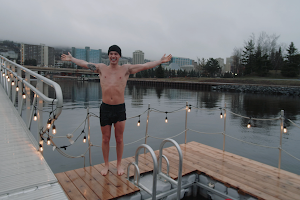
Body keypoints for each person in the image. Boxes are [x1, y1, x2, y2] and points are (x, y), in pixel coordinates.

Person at [61, 45, 172, 176]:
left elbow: (145, 65)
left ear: (119, 56)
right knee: (105, 139)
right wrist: (72, 58)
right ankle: (106, 165)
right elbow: (85, 64)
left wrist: (160, 61)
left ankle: (119, 164)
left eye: (116, 54)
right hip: (105, 108)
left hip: (119, 108)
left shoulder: (126, 69)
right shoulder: (101, 68)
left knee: (119, 139)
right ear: (108, 55)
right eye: (111, 54)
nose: (113, 56)